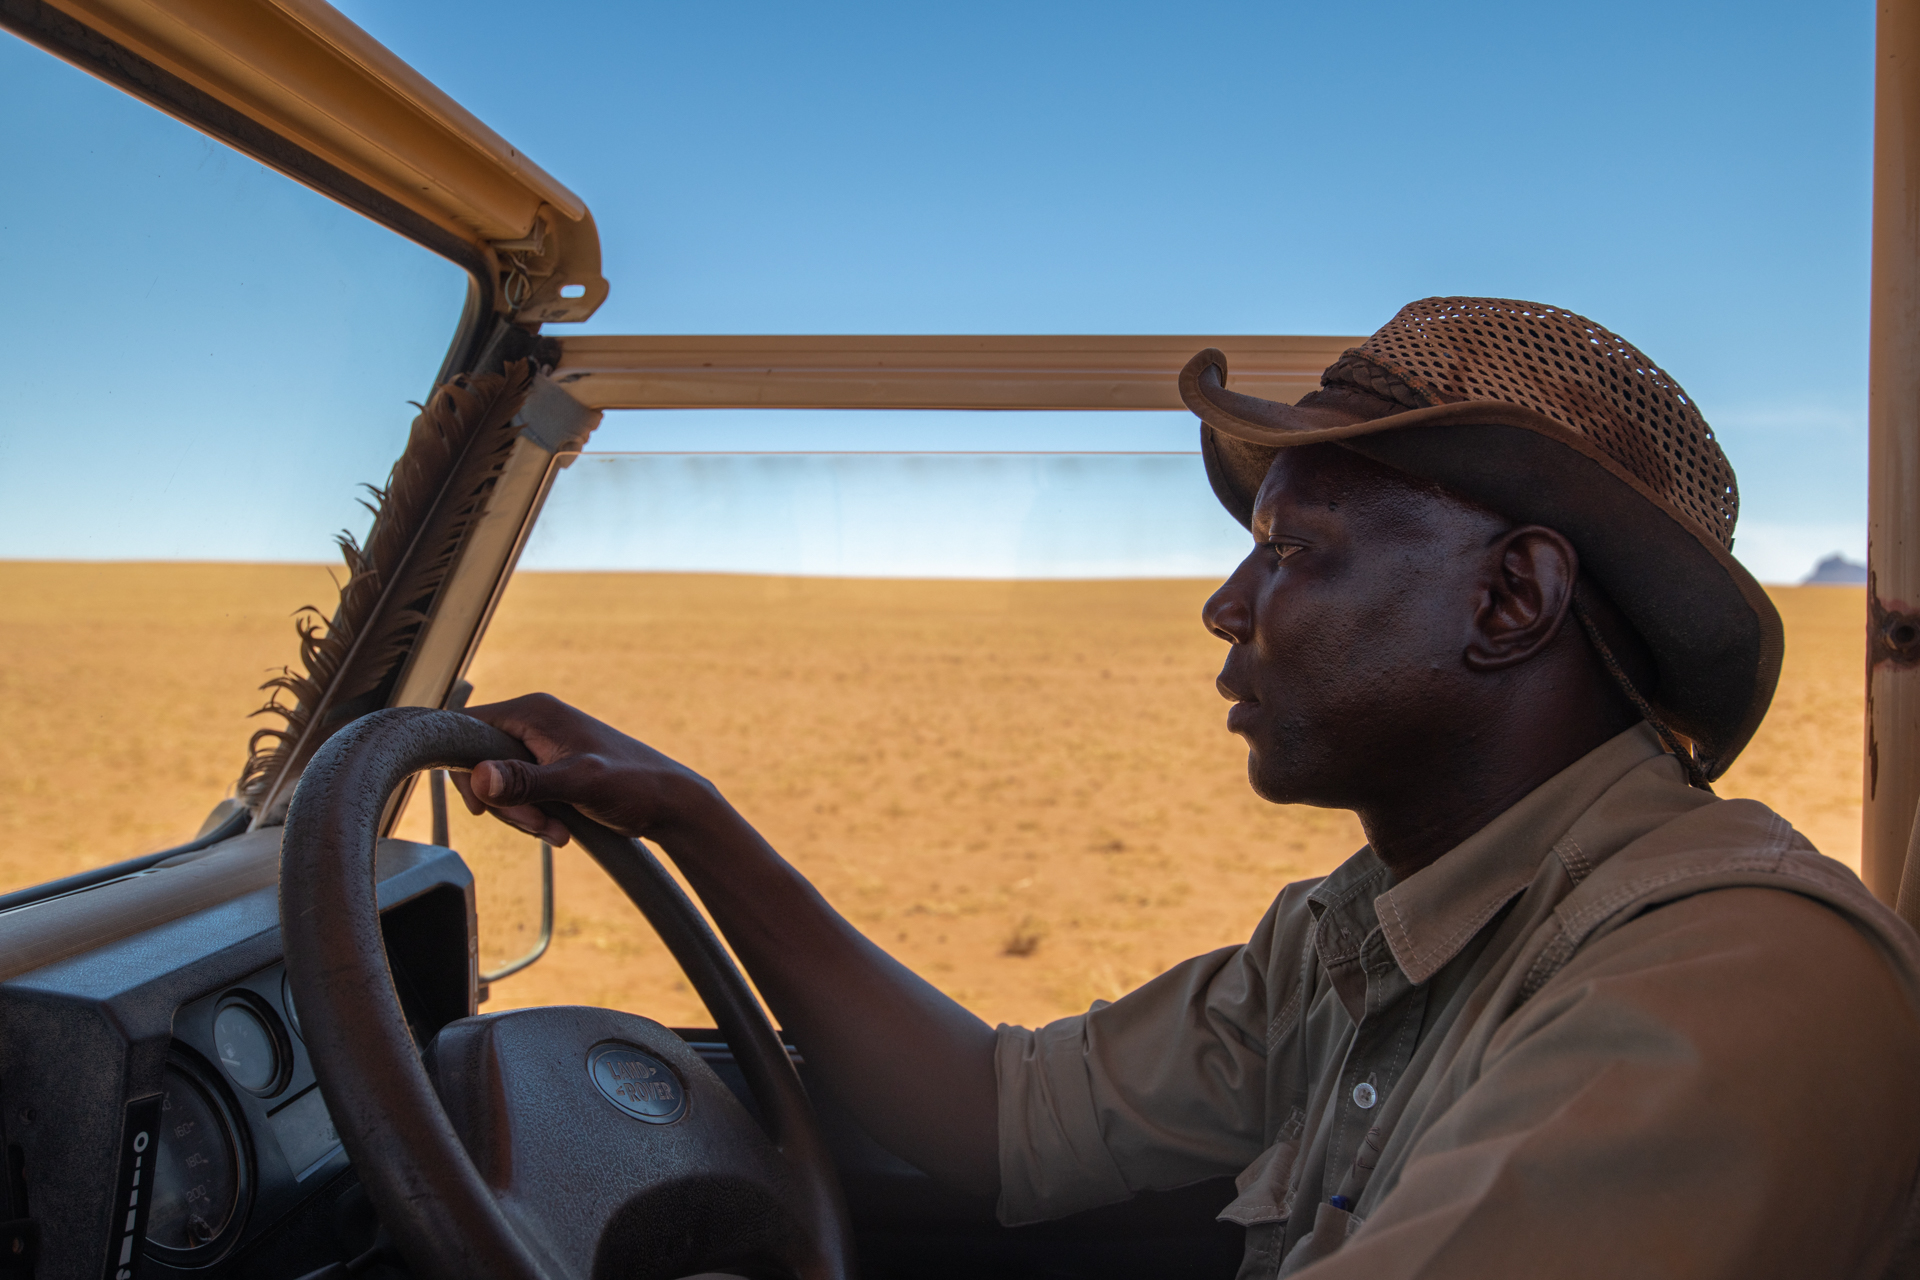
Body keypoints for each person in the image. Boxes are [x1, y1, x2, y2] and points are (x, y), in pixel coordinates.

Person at [454, 298, 1920, 1278]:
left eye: (1295, 549)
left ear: (1511, 601)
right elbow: (992, 1116)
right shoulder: (1361, 936)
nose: (1227, 605)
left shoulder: (1735, 976)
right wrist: (687, 814)